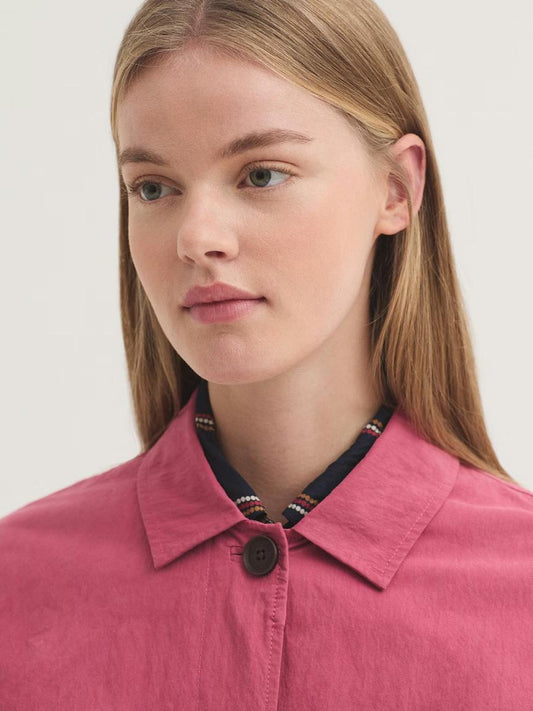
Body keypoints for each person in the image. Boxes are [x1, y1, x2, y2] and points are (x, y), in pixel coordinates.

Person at [1, 0, 532, 708]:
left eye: (261, 174)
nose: (197, 237)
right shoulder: (16, 583)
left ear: (396, 189)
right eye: (153, 187)